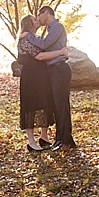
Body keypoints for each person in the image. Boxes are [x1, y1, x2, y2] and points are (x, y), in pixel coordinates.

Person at [26, 5, 75, 150]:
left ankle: (66, 140)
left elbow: (44, 44)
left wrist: (28, 35)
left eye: (39, 15)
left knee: (61, 105)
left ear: (46, 13)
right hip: (54, 71)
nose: (38, 19)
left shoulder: (57, 27)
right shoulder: (50, 30)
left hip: (60, 69)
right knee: (57, 106)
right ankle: (60, 139)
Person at [17, 15, 66, 153]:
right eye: (34, 19)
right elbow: (40, 56)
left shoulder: (36, 38)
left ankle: (44, 137)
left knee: (45, 104)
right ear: (29, 24)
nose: (38, 20)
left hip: (42, 76)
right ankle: (31, 141)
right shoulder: (25, 39)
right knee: (31, 106)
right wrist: (61, 52)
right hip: (31, 77)